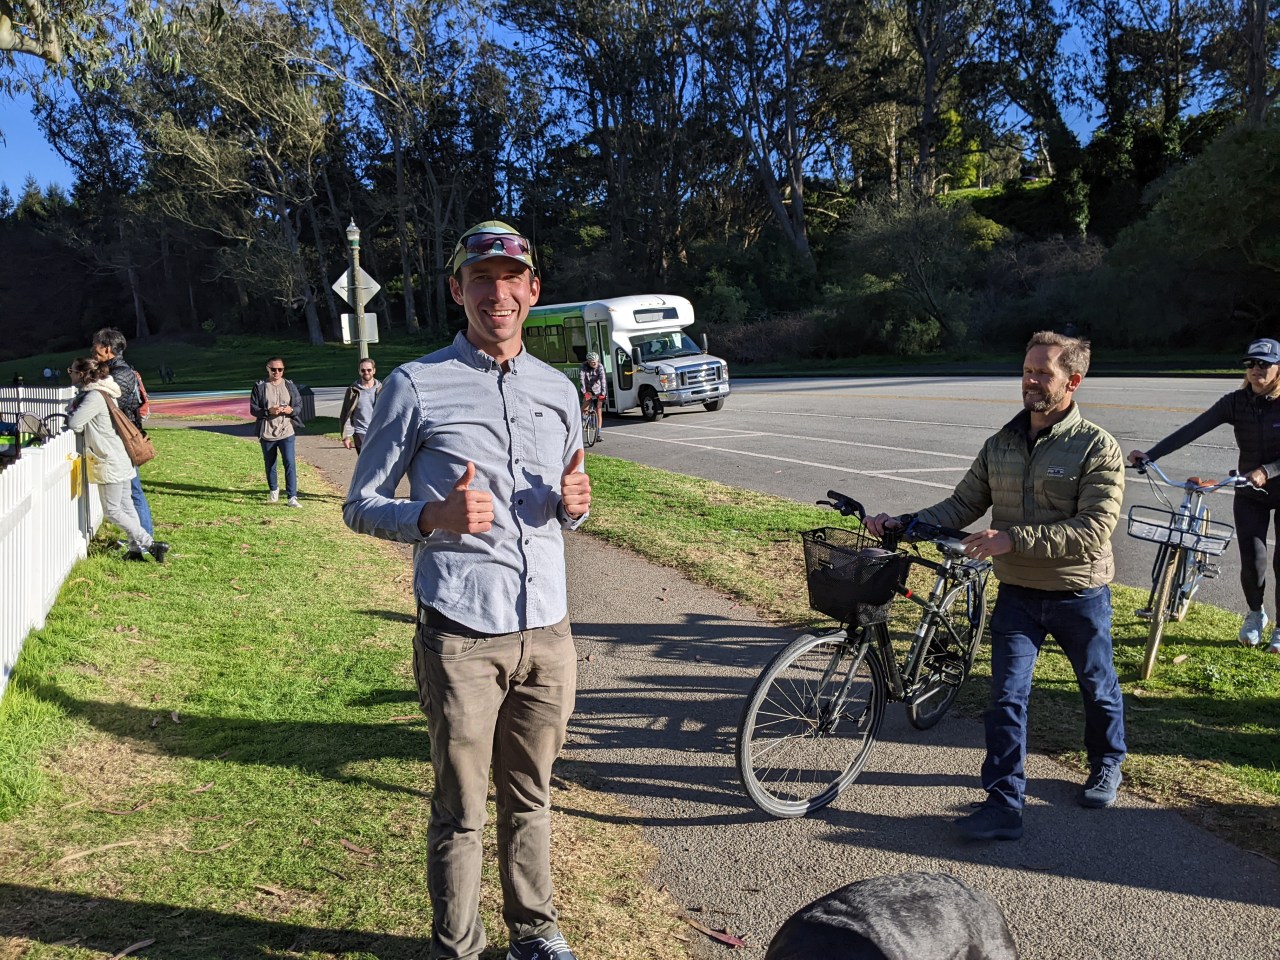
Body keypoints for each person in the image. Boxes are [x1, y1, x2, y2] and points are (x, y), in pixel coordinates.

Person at [345, 219, 591, 960]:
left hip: (549, 630)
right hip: (460, 633)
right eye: (480, 279)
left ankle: (536, 933)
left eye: (511, 279)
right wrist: (431, 515)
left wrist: (577, 508)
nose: (498, 293)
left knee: (533, 798)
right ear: (458, 290)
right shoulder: (414, 386)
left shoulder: (559, 390)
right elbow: (359, 503)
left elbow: (567, 499)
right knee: (461, 811)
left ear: (532, 290)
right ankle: (459, 947)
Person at [866, 331, 1126, 841]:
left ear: (1072, 381)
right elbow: (961, 505)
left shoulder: (1098, 447)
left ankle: (1107, 762)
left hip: (1079, 593)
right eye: (1027, 370)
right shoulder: (1000, 445)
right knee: (1006, 698)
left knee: (1097, 687)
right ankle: (1004, 804)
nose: (1030, 380)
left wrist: (1013, 539)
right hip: (1018, 597)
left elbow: (1095, 530)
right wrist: (905, 521)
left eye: (1043, 372)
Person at [1128, 338, 1280, 654]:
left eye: (1264, 364)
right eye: (1250, 364)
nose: (1255, 370)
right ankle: (1255, 614)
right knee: (1253, 562)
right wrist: (1151, 455)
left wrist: (1267, 469)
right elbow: (1192, 429)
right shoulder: (1236, 402)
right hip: (1250, 491)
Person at [66, 358, 170, 563]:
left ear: (82, 374)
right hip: (121, 457)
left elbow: (75, 424)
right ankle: (135, 550)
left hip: (109, 459)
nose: (70, 374)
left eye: (71, 371)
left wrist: (73, 412)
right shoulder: (106, 392)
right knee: (126, 505)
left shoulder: (94, 397)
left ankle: (150, 544)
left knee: (112, 510)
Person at [91, 327, 154, 536]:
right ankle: (142, 540)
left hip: (125, 438)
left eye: (96, 345)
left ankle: (146, 539)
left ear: (107, 348)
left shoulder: (121, 374)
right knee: (131, 493)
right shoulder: (114, 371)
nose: (93, 349)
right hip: (123, 437)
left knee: (133, 493)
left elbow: (112, 405)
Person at [249, 357, 303, 507]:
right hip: (267, 431)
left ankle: (292, 497)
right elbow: (253, 409)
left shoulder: (290, 385)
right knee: (270, 463)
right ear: (268, 369)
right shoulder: (260, 387)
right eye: (273, 369)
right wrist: (268, 411)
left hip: (287, 430)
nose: (277, 372)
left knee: (290, 463)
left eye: (280, 369)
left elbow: (298, 405)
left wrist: (291, 410)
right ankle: (274, 490)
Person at [338, 358, 382, 453]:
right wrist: (346, 437)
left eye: (369, 370)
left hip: (379, 431)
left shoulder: (382, 389)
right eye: (363, 370)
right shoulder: (352, 391)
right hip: (360, 431)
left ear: (374, 370)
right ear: (359, 371)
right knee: (366, 461)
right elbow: (345, 413)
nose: (366, 372)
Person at [578, 352, 606, 442]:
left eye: (595, 362)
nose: (594, 363)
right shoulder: (583, 366)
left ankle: (598, 434)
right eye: (592, 362)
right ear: (588, 362)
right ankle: (581, 420)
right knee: (585, 405)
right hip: (587, 389)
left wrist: (603, 393)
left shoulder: (600, 367)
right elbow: (581, 379)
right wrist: (584, 392)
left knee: (599, 410)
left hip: (598, 390)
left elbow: (603, 380)